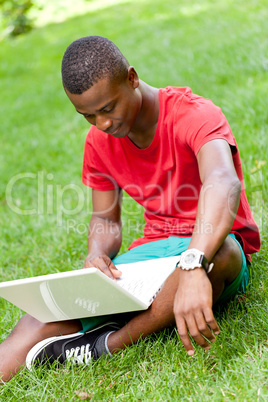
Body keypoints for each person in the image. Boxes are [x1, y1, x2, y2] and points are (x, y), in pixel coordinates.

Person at [0, 36, 260, 383]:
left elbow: (222, 181)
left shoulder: (193, 113)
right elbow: (105, 218)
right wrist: (96, 254)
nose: (102, 123)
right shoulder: (99, 142)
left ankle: (108, 343)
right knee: (48, 311)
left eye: (108, 108)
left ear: (132, 78)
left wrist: (194, 261)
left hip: (209, 246)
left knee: (224, 253)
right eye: (88, 115)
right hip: (152, 255)